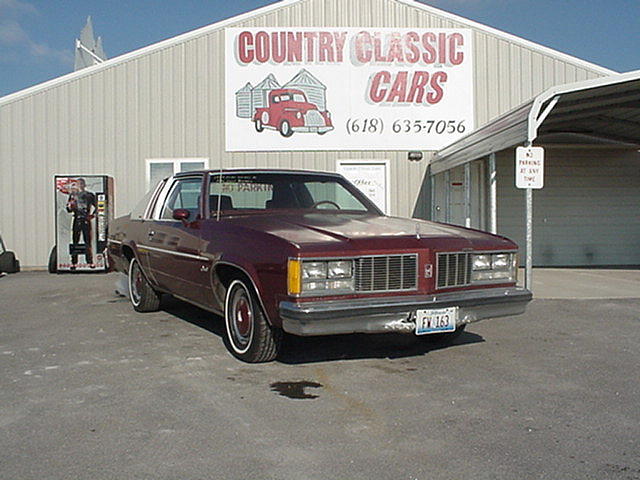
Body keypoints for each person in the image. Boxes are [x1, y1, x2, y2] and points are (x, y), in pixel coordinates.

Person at [66, 178, 96, 269]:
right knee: (75, 240)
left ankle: (90, 261)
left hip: (86, 220)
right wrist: (70, 206)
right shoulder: (73, 195)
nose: (80, 185)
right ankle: (74, 262)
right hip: (76, 219)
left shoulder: (89, 195)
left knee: (87, 241)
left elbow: (98, 207)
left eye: (81, 184)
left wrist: (92, 215)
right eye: (78, 184)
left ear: (84, 185)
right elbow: (68, 209)